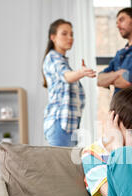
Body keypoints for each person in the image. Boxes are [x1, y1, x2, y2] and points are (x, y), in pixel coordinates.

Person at [42, 19, 96, 147]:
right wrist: (81, 73)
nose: (70, 37)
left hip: (68, 127)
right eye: (64, 34)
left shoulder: (62, 61)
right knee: (61, 166)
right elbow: (66, 76)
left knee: (66, 166)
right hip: (60, 126)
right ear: (53, 37)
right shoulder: (53, 57)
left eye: (71, 34)